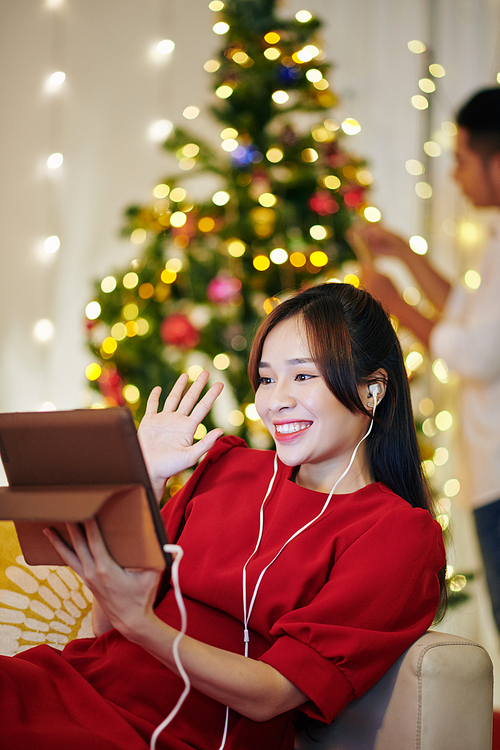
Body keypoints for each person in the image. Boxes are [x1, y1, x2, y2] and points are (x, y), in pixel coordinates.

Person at [0, 282, 446, 750]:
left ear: (372, 389)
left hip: (168, 736)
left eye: (303, 376)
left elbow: (272, 695)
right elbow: (106, 628)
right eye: (268, 379)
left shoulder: (397, 534)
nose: (276, 401)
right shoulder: (227, 467)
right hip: (70, 685)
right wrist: (145, 483)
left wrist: (144, 627)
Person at [351, 87, 500, 635]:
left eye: (461, 160)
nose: (456, 177)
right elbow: (466, 311)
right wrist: (407, 255)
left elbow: (475, 351)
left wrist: (394, 305)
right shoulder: (494, 235)